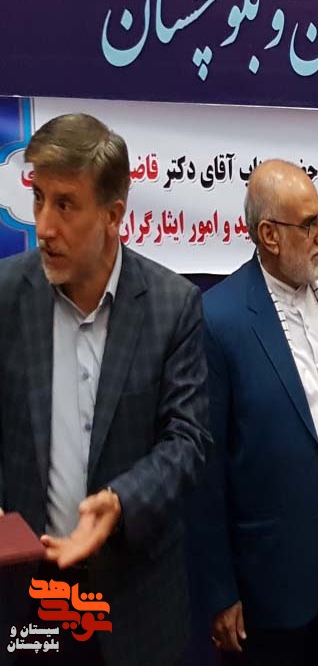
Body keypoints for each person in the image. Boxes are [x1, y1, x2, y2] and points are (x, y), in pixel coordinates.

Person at [0, 113, 211, 666]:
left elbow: (187, 441)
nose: (44, 226)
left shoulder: (172, 306)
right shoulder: (7, 296)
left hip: (134, 601)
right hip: (30, 601)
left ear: (114, 215)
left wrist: (120, 503)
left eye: (65, 205)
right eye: (39, 199)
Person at [190, 160, 318, 665]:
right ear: (269, 235)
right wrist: (219, 590)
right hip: (271, 569)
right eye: (310, 225)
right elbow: (205, 473)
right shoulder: (220, 319)